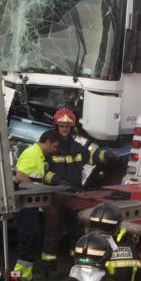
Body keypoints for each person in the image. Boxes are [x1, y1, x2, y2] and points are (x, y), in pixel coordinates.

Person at [42, 107, 114, 268]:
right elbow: (42, 172)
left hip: (75, 194)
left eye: (67, 126)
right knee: (53, 230)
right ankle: (48, 264)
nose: (65, 129)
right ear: (56, 126)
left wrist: (105, 155)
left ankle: (74, 260)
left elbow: (92, 156)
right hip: (56, 196)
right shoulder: (51, 147)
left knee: (75, 229)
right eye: (62, 126)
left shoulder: (76, 147)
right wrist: (57, 181)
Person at [13, 129, 62, 281]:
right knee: (26, 243)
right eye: (54, 146)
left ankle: (26, 280)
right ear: (47, 141)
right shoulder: (32, 154)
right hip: (25, 207)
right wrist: (39, 190)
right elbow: (20, 177)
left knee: (32, 241)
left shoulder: (39, 156)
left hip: (31, 207)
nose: (54, 150)